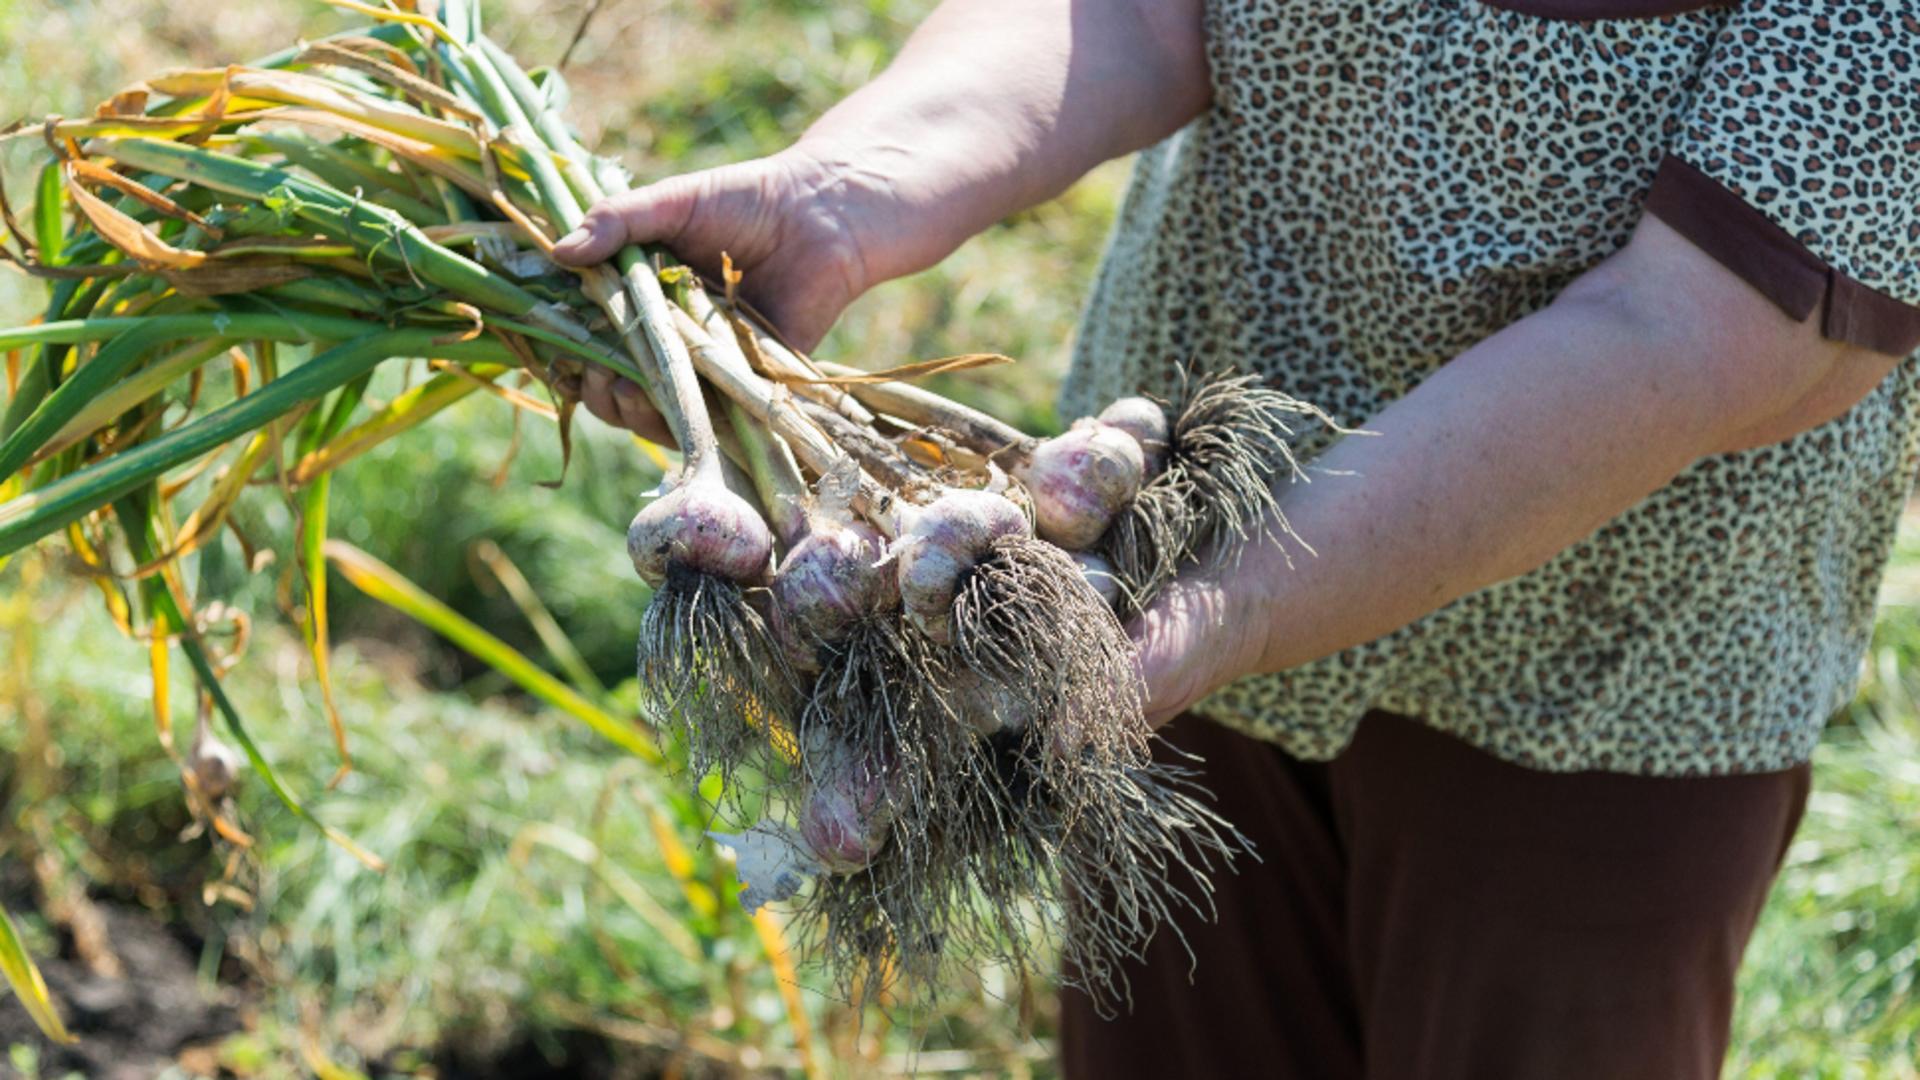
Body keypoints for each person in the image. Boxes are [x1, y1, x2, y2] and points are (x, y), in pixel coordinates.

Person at [554, 1, 1920, 1076]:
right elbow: (1142, 11)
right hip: (1149, 522)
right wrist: (843, 197)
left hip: (1606, 664)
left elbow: (1698, 331)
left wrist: (1217, 613)